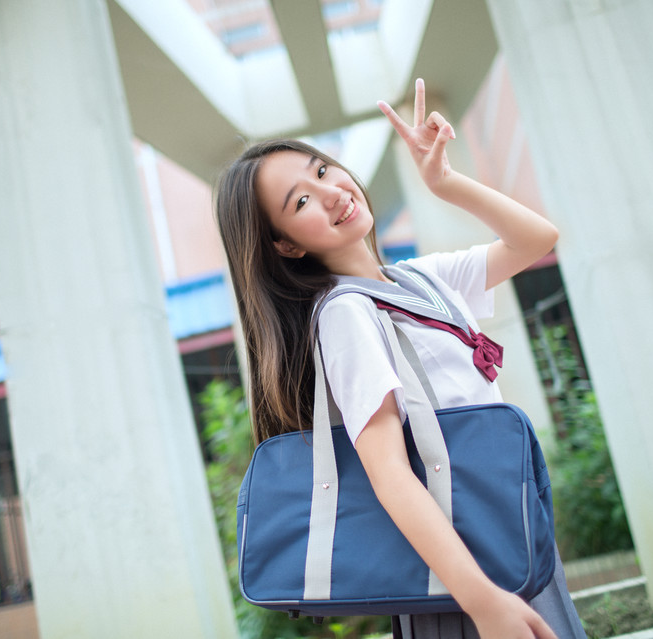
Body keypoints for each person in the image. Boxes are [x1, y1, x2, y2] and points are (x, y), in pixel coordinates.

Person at [215, 79, 586, 639]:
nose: (331, 192)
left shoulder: (418, 278)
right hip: (462, 577)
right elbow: (387, 472)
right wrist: (484, 601)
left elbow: (537, 238)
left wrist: (446, 182)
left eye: (320, 172)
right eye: (301, 202)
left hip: (504, 538)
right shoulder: (344, 314)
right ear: (285, 245)